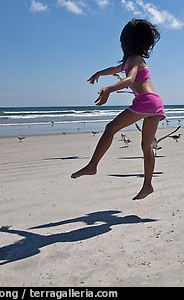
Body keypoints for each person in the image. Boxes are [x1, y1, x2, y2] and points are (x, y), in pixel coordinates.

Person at [71, 19, 165, 200]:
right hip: (155, 104)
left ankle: (92, 165)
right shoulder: (132, 60)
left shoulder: (135, 59)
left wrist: (109, 89)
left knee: (110, 128)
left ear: (126, 43)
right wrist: (99, 73)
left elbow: (129, 80)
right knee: (146, 148)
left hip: (145, 101)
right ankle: (147, 185)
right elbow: (114, 68)